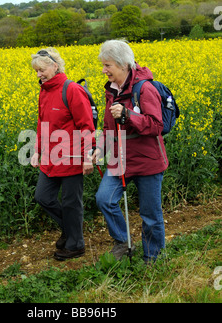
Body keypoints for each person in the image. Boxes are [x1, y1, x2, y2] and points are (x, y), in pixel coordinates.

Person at [92, 40, 168, 264]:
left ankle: (153, 259)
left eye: (108, 65)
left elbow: (156, 125)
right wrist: (100, 148)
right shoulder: (111, 91)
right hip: (120, 159)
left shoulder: (144, 89)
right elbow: (108, 127)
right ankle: (123, 241)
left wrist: (127, 115)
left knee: (150, 215)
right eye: (103, 65)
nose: (104, 70)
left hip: (147, 160)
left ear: (123, 64)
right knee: (104, 199)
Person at [30, 48, 95, 261]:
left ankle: (76, 245)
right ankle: (70, 230)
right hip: (50, 156)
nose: (38, 74)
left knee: (70, 203)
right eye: (36, 71)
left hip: (72, 156)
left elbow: (87, 125)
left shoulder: (73, 90)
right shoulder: (45, 91)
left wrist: (87, 156)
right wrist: (37, 151)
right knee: (43, 197)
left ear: (55, 66)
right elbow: (42, 124)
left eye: (41, 70)